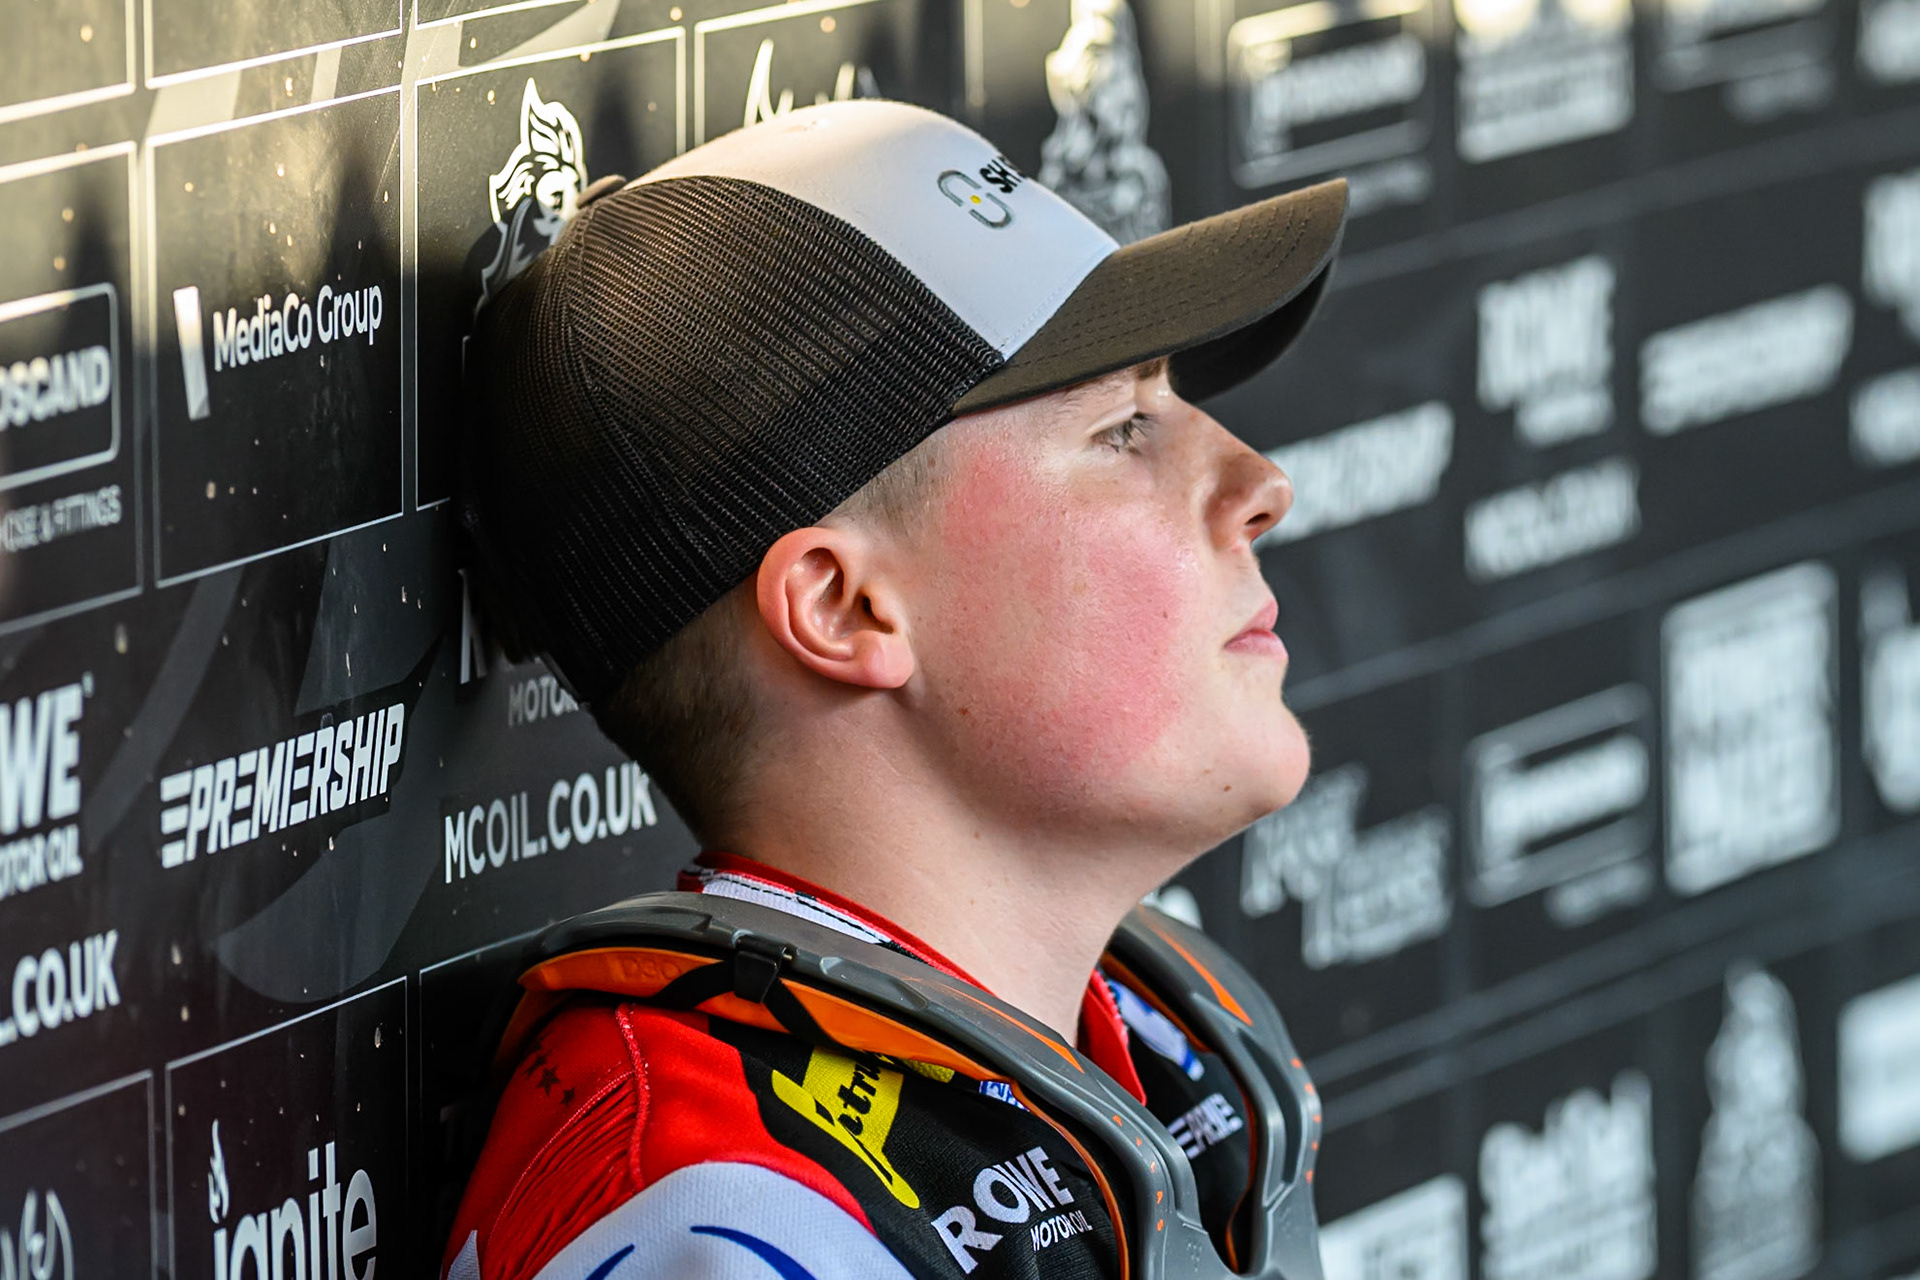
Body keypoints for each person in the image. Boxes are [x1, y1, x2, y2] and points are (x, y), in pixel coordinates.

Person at [446, 98, 1346, 1280]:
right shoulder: (726, 1214)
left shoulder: (1164, 1037)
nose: (1260, 481)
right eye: (1123, 429)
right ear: (845, 608)